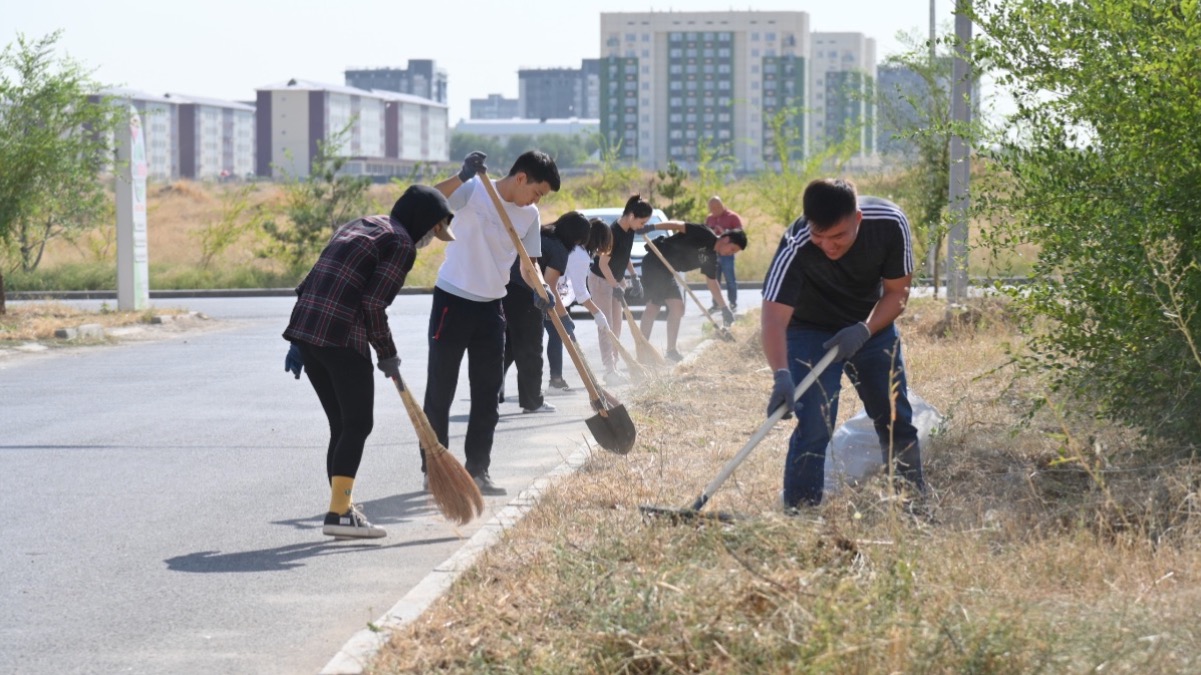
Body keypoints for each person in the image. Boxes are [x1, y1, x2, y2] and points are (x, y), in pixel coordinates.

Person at [283, 184, 454, 539]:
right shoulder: (401, 244)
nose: (428, 240)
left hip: (309, 332)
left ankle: (341, 510)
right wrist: (387, 353)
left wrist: (299, 340)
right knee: (358, 425)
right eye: (433, 231)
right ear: (424, 222)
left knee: (342, 426)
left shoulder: (359, 224)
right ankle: (340, 514)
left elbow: (311, 279)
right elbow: (373, 305)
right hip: (341, 337)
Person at [761, 178, 925, 510]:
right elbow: (774, 318)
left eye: (838, 236)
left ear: (858, 220)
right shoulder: (797, 243)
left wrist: (864, 330)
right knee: (815, 423)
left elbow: (898, 293)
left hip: (870, 324)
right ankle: (801, 513)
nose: (828, 247)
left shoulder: (889, 224)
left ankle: (911, 505)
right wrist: (781, 374)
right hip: (809, 328)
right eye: (819, 237)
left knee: (894, 416)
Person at [423, 150, 560, 497]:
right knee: (441, 389)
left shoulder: (529, 215)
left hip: (490, 308)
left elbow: (529, 267)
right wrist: (462, 174)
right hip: (452, 299)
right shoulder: (475, 190)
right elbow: (429, 200)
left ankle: (478, 470)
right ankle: (435, 468)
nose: (536, 199)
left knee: (487, 395)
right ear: (520, 178)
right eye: (537, 191)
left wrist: (542, 290)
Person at [502, 211, 591, 412]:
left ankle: (491, 392)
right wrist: (565, 317)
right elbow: (548, 287)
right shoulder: (559, 250)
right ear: (576, 238)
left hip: (505, 290)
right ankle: (533, 402)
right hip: (527, 296)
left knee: (508, 346)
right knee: (531, 350)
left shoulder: (542, 235)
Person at [638, 221, 746, 361]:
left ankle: (671, 351)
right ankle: (642, 349)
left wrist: (725, 308)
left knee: (677, 307)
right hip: (656, 261)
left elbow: (712, 283)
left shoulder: (711, 257)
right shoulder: (704, 233)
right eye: (732, 249)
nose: (729, 254)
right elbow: (677, 225)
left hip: (668, 271)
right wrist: (651, 227)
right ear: (726, 239)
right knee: (654, 306)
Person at [587, 195, 655, 384]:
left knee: (617, 326)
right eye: (642, 222)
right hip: (601, 281)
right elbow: (603, 264)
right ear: (632, 216)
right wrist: (615, 285)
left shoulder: (630, 230)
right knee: (606, 327)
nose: (642, 226)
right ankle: (609, 370)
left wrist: (634, 277)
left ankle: (615, 367)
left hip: (616, 281)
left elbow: (625, 257)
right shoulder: (613, 232)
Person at [545, 217, 614, 391]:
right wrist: (598, 313)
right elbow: (581, 292)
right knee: (555, 335)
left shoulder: (576, 250)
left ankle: (556, 380)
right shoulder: (580, 255)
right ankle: (555, 381)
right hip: (550, 295)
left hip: (553, 294)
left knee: (554, 335)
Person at [705, 196, 744, 312]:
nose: (715, 210)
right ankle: (716, 304)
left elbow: (740, 234)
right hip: (714, 253)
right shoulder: (709, 218)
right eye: (712, 208)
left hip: (727, 254)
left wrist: (725, 232)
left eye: (717, 207)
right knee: (714, 280)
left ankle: (732, 303)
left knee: (730, 279)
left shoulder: (732, 217)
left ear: (722, 205)